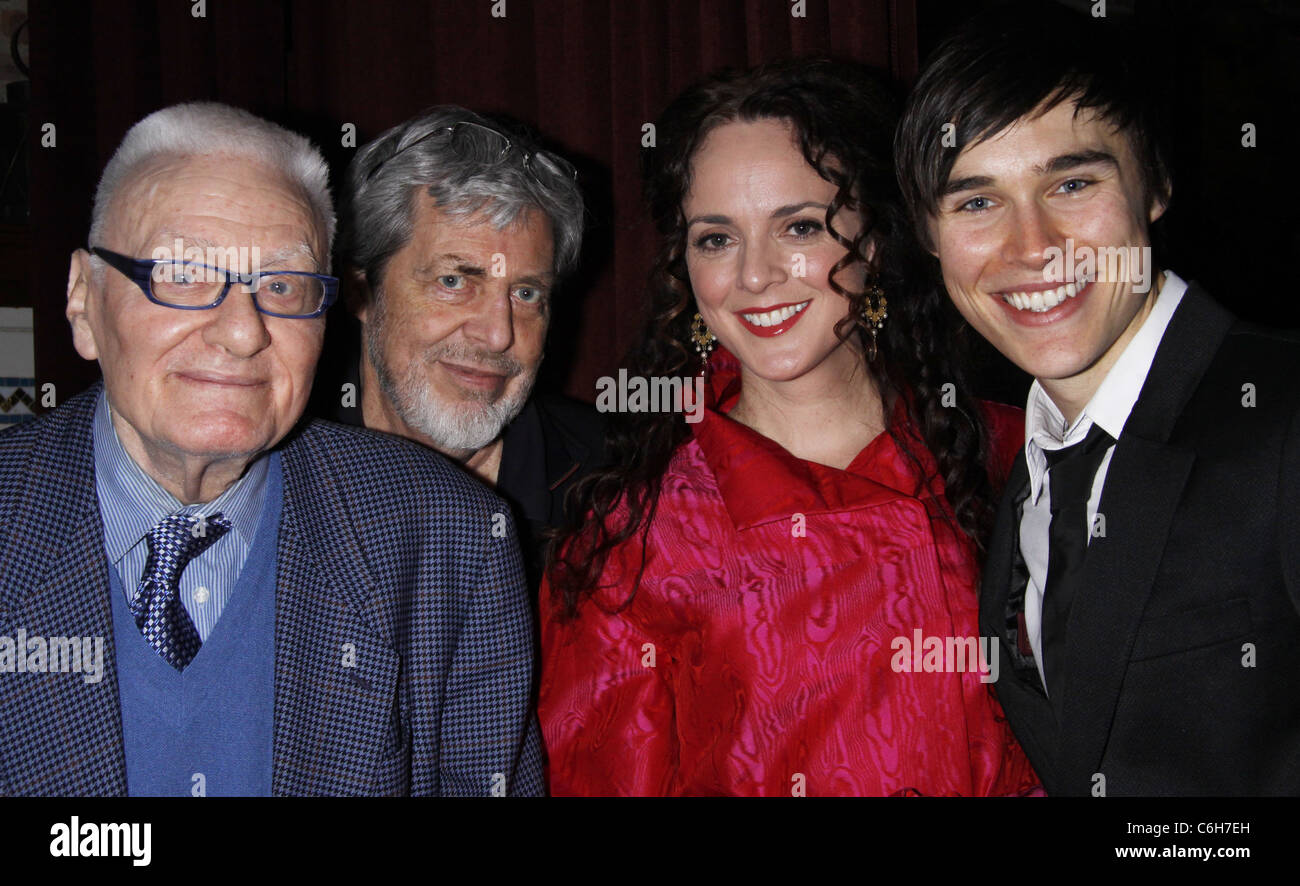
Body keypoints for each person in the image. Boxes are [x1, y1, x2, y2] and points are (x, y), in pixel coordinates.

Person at [0, 102, 542, 796]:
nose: (240, 332)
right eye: (184, 274)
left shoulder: (449, 539)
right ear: (83, 300)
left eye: (282, 286)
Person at [538, 59, 1039, 796]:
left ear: (873, 237)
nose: (755, 275)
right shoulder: (634, 540)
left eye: (799, 226)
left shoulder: (1021, 453)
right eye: (716, 239)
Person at [895, 5, 1300, 795]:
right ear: (930, 237)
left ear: (1156, 184)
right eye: (977, 202)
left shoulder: (1282, 417)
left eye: (1072, 182)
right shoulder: (1027, 476)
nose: (1031, 246)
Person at [334, 107, 606, 587]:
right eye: (454, 280)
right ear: (362, 293)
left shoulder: (621, 492)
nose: (499, 334)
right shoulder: (273, 474)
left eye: (526, 294)